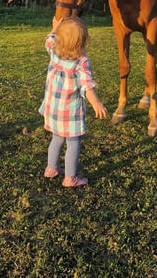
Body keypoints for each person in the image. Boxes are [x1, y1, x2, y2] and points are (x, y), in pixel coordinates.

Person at [39, 16, 107, 187]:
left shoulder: (54, 50)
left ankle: (51, 168)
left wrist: (55, 28)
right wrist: (96, 103)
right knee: (73, 142)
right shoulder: (81, 63)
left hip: (53, 110)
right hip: (70, 113)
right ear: (82, 43)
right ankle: (70, 178)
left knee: (56, 139)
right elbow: (87, 87)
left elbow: (49, 39)